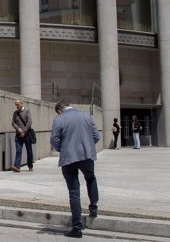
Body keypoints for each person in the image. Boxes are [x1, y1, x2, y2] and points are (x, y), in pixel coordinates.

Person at [50, 101, 100, 239]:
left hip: (69, 158)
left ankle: (77, 228)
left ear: (59, 110)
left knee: (74, 191)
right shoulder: (86, 116)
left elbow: (54, 140)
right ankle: (93, 207)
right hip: (87, 155)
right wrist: (87, 146)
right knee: (90, 178)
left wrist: (64, 148)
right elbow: (96, 136)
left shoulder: (59, 119)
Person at [10, 99, 33, 172]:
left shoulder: (27, 111)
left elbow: (29, 122)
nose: (17, 106)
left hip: (27, 135)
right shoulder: (15, 113)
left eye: (18, 104)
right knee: (18, 150)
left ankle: (30, 166)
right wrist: (18, 129)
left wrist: (24, 131)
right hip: (18, 135)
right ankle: (17, 167)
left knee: (29, 150)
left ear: (21, 103)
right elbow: (13, 123)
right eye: (16, 104)